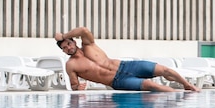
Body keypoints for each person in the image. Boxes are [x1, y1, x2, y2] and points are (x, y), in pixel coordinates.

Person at [55, 26, 200, 92]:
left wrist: (63, 35)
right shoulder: (71, 65)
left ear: (73, 41)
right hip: (117, 81)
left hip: (126, 66)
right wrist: (77, 88)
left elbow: (84, 30)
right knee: (151, 85)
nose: (68, 48)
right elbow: (74, 85)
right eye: (64, 48)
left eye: (68, 43)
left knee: (165, 70)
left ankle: (187, 85)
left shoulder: (88, 45)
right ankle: (179, 95)